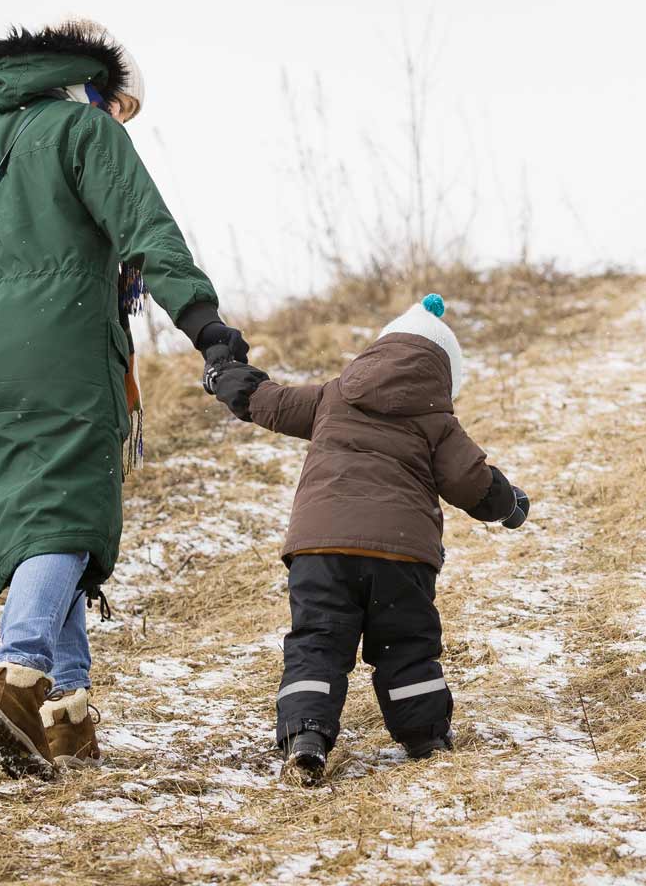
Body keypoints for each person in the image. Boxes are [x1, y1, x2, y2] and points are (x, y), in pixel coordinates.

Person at [0, 18, 247, 777]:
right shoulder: (83, 132)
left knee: (40, 526)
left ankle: (66, 718)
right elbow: (145, 230)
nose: (121, 123)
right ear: (98, 88)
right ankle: (18, 676)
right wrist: (206, 325)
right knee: (66, 517)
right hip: (59, 349)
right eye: (122, 110)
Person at [207, 293, 530, 785]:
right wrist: (508, 505)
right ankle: (425, 737)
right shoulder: (437, 422)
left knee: (317, 641)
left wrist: (225, 374)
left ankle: (307, 737)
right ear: (443, 373)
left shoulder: (331, 396)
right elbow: (472, 482)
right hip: (401, 555)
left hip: (321, 550)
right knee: (405, 644)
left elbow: (263, 400)